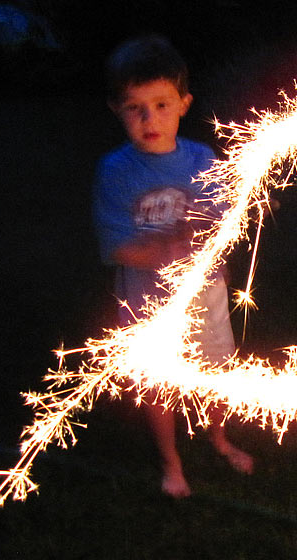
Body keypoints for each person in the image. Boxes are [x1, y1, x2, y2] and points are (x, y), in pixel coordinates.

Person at [93, 35, 253, 497]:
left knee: (215, 373)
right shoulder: (116, 172)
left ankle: (219, 438)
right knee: (159, 382)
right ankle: (171, 461)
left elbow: (221, 222)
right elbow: (117, 246)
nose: (150, 119)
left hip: (206, 297)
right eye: (135, 108)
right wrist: (168, 250)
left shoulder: (203, 160)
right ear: (115, 109)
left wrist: (228, 222)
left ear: (184, 103)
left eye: (162, 105)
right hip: (148, 302)